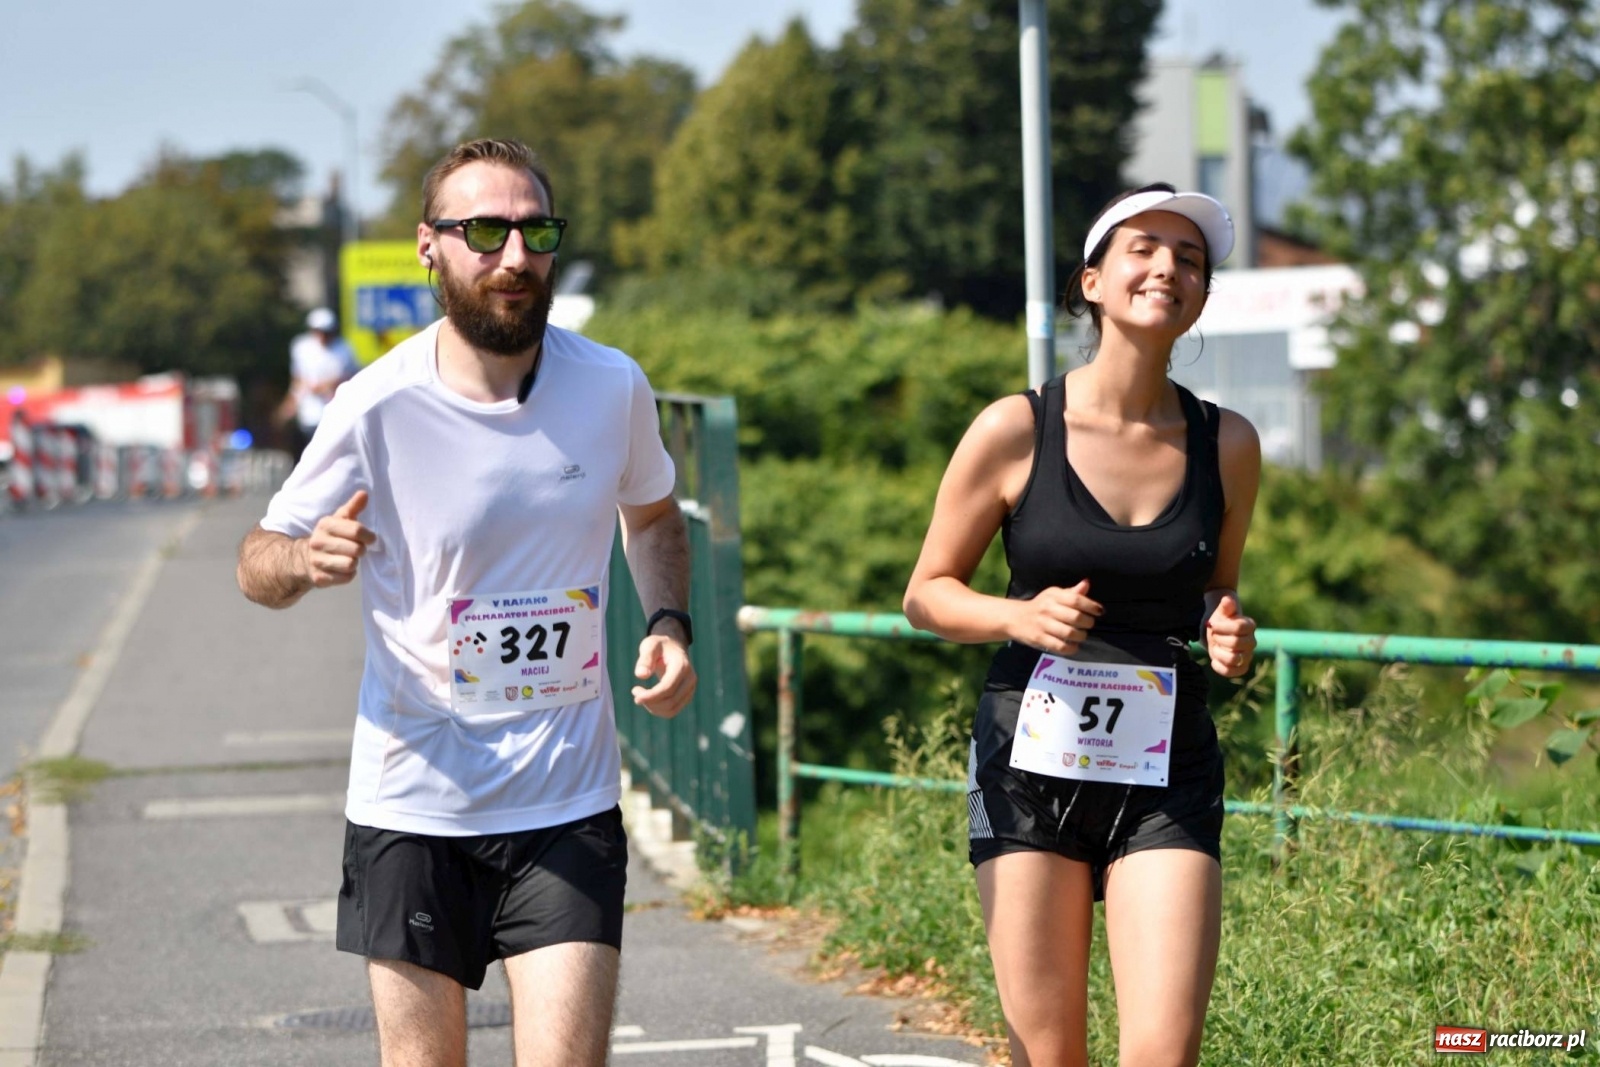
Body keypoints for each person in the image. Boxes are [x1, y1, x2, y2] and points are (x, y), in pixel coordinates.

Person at [236, 137, 696, 1067]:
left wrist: (669, 625)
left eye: (535, 230)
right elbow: (256, 559)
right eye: (484, 231)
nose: (515, 256)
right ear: (429, 246)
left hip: (565, 800)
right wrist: (304, 558)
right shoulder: (376, 405)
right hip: (414, 806)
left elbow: (651, 520)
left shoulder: (611, 384)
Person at [903, 184, 1261, 1067]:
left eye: (1190, 259)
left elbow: (1217, 588)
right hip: (1032, 761)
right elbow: (927, 592)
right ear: (1093, 281)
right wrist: (1017, 614)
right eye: (1145, 248)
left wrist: (1229, 630)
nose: (1168, 268)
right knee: (1049, 1054)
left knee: (1164, 1052)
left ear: (1202, 299)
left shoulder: (1230, 444)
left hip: (1167, 765)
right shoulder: (1015, 428)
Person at [279, 306, 360, 461]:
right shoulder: (302, 348)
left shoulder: (344, 349)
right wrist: (291, 403)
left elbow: (351, 377)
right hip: (309, 412)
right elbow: (298, 379)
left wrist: (329, 385)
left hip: (335, 410)